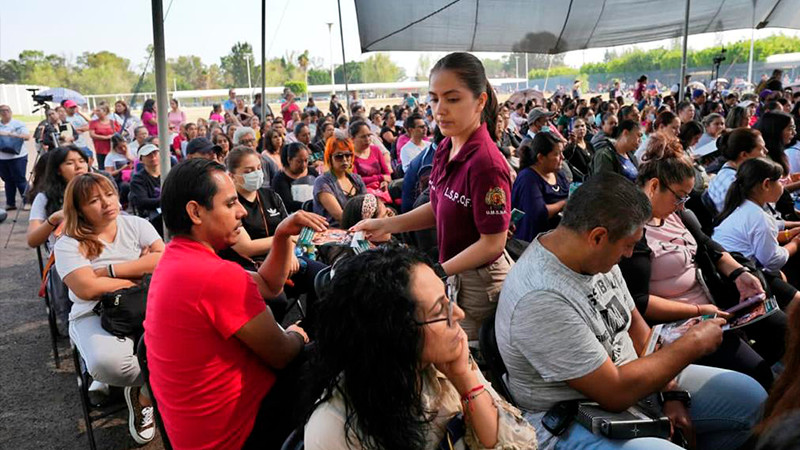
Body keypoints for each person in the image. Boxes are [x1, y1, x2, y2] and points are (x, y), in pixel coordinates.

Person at [496, 173, 767, 449]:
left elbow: (639, 332)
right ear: (598, 236)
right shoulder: (541, 297)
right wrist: (693, 343)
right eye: (628, 245)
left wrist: (671, 392)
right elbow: (614, 392)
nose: (628, 255)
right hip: (574, 413)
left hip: (634, 380)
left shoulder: (594, 256)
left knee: (752, 400)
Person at [145, 158, 325, 449]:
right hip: (238, 434)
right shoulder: (215, 275)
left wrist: (281, 235)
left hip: (197, 434)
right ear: (195, 212)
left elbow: (268, 285)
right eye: (230, 204)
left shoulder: (175, 258)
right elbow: (282, 354)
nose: (241, 211)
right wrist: (299, 333)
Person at [304, 247, 538, 449]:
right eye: (439, 311)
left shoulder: (441, 361)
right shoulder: (336, 430)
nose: (458, 314)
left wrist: (464, 377)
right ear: (394, 332)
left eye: (448, 298)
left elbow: (516, 443)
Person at [354, 52, 513, 341]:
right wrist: (387, 225)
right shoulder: (445, 147)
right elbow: (439, 204)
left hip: (480, 282)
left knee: (464, 357)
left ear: (480, 101)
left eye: (452, 99)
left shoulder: (486, 165)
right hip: (453, 271)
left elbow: (493, 243)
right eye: (434, 99)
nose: (439, 110)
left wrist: (436, 271)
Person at [620, 143, 787, 390]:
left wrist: (739, 273)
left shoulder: (679, 215)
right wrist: (699, 310)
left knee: (785, 329)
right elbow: (639, 301)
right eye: (679, 196)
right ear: (654, 186)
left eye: (686, 197)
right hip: (683, 324)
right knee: (758, 374)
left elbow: (710, 247)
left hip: (716, 305)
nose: (682, 204)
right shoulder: (634, 233)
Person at [55, 172, 164, 444]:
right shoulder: (68, 243)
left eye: (110, 194)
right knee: (109, 366)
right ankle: (151, 384)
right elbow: (86, 289)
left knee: (186, 350)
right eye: (94, 200)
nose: (107, 203)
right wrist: (138, 273)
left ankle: (144, 396)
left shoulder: (136, 224)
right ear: (79, 209)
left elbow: (164, 260)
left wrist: (109, 271)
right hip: (93, 312)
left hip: (145, 305)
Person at [713, 157, 800, 292]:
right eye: (779, 181)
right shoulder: (759, 218)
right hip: (742, 281)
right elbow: (772, 261)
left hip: (729, 273)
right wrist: (795, 243)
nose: (782, 185)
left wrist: (790, 232)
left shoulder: (743, 207)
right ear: (766, 184)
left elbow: (763, 236)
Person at [27, 145, 90, 249]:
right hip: (67, 256)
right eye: (70, 163)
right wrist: (53, 219)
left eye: (82, 161)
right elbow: (32, 241)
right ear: (58, 170)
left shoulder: (99, 189)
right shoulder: (45, 197)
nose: (78, 166)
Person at [511, 132, 569, 242]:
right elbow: (539, 213)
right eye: (557, 154)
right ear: (541, 157)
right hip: (533, 241)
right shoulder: (528, 178)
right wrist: (565, 203)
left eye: (562, 153)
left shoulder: (558, 173)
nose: (562, 157)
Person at [313, 134, 367, 227]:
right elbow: (340, 217)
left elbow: (367, 206)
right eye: (339, 156)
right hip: (334, 232)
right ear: (330, 158)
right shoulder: (322, 182)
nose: (344, 160)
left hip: (360, 227)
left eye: (348, 155)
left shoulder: (356, 179)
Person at [0, 105, 32, 211]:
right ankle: (10, 203)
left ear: (11, 112)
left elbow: (27, 136)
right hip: (2, 158)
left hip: (18, 156)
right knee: (8, 181)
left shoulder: (18, 124)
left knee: (20, 179)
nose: (5, 112)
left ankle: (27, 201)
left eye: (7, 110)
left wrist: (8, 134)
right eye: (2, 111)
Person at [350, 121, 392, 200]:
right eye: (363, 137)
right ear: (353, 139)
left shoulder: (375, 150)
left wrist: (385, 182)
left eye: (369, 135)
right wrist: (380, 178)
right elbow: (357, 181)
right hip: (364, 194)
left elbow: (387, 174)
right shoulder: (350, 157)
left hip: (382, 189)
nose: (367, 139)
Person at [272, 142, 318, 213]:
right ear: (289, 160)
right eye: (299, 161)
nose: (303, 165)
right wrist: (308, 206)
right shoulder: (280, 179)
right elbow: (286, 204)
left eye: (306, 160)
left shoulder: (312, 172)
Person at [129, 143, 162, 231]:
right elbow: (142, 201)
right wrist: (166, 201)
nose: (153, 157)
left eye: (155, 153)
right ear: (141, 159)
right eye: (148, 155)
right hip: (151, 215)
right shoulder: (138, 179)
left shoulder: (168, 172)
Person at [562, 117, 594, 181]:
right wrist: (572, 143)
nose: (581, 128)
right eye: (576, 127)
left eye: (582, 125)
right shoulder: (570, 147)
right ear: (571, 130)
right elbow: (565, 156)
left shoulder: (589, 144)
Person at [104, 135, 133, 202]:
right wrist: (121, 169)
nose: (123, 149)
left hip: (133, 176)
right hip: (120, 179)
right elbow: (108, 173)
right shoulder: (110, 156)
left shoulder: (132, 151)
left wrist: (128, 157)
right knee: (125, 186)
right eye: (120, 148)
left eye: (124, 146)